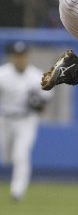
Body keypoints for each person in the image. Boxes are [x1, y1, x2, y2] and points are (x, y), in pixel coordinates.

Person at [0, 42, 53, 200]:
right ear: (12, 57)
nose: (20, 59)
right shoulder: (3, 74)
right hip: (5, 119)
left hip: (26, 120)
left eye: (22, 56)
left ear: (27, 57)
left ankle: (17, 191)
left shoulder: (36, 76)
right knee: (7, 157)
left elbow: (44, 103)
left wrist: (36, 104)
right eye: (17, 56)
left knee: (21, 154)